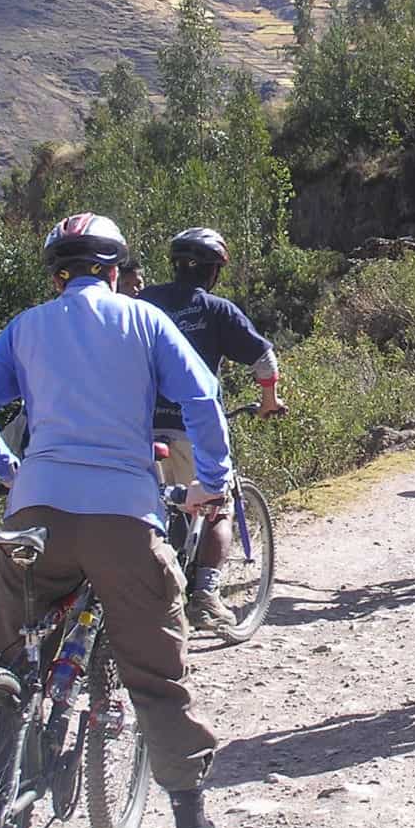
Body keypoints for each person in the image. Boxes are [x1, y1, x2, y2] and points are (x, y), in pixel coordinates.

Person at [0, 212, 227, 828]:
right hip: (122, 515)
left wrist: (14, 471)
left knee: (12, 653)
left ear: (56, 278)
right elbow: (202, 399)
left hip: (35, 513)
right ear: (116, 271)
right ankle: (190, 816)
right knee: (156, 673)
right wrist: (213, 480)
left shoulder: (25, 328)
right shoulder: (145, 319)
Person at [140, 226, 285, 633]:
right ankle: (205, 597)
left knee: (143, 509)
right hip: (192, 428)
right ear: (214, 271)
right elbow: (264, 362)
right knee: (216, 504)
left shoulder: (143, 303)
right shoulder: (218, 309)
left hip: (139, 429)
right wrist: (269, 402)